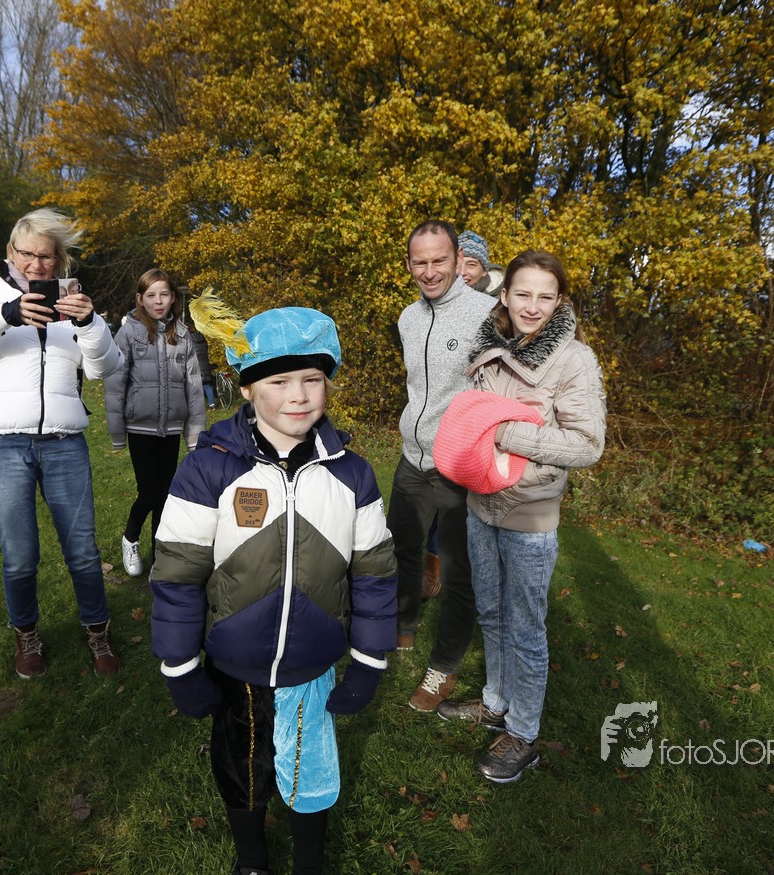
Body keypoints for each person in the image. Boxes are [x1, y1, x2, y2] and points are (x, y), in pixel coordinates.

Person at [151, 304, 397, 875]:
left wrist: (368, 660)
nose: (299, 396)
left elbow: (375, 572)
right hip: (235, 666)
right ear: (247, 388)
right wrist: (179, 666)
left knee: (310, 774)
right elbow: (178, 574)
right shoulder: (208, 469)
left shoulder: (352, 473)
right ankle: (252, 861)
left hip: (312, 663)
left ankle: (308, 863)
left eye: (313, 379)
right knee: (243, 770)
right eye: (279, 382)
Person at [0, 207, 125, 677]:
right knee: (19, 555)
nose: (36, 264)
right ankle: (26, 635)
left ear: (60, 258)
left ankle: (98, 632)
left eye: (46, 256)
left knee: (83, 551)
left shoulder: (72, 297)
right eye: (27, 253)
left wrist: (90, 324)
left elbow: (103, 368)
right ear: (11, 251)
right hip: (0, 443)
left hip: (64, 441)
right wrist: (4, 314)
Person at [435, 250, 606, 783]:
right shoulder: (487, 347)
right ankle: (496, 703)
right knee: (490, 611)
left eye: (545, 296)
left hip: (530, 514)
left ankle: (524, 734)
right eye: (523, 293)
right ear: (504, 294)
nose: (532, 306)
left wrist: (505, 434)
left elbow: (587, 445)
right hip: (479, 504)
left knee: (525, 628)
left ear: (559, 302)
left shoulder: (574, 360)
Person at [391, 220, 494, 712]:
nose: (430, 271)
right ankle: (402, 625)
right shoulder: (407, 318)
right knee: (402, 549)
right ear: (409, 264)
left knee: (457, 572)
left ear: (458, 261)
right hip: (412, 457)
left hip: (459, 464)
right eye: (420, 262)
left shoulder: (488, 314)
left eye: (439, 261)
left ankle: (443, 667)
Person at [104, 269, 205, 578]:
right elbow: (115, 384)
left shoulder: (183, 335)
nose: (158, 301)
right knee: (149, 492)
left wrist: (195, 435)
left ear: (173, 297)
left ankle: (159, 557)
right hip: (141, 427)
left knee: (165, 495)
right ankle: (130, 537)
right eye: (151, 295)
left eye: (164, 294)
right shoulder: (129, 333)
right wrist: (117, 431)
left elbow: (194, 386)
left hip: (171, 428)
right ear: (140, 299)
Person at [189, 315, 217, 409]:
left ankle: (197, 405)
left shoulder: (188, 340)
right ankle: (212, 404)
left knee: (194, 386)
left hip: (195, 365)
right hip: (205, 364)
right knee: (206, 385)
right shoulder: (202, 339)